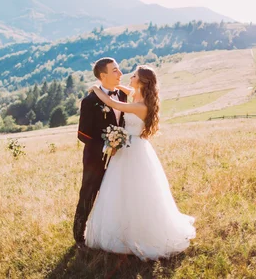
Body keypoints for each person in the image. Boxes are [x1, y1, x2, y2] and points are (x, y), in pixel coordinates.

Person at [85, 65, 196, 260]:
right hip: (128, 147)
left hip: (134, 149)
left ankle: (137, 233)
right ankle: (124, 228)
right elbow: (123, 91)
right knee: (121, 190)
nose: (130, 77)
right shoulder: (138, 95)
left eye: (134, 75)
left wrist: (95, 89)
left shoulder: (140, 105)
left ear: (142, 81)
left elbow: (114, 104)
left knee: (136, 191)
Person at [73, 57, 127, 248]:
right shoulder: (90, 101)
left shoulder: (122, 96)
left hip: (119, 158)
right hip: (95, 158)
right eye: (115, 70)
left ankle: (111, 232)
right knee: (88, 193)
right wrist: (107, 145)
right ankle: (79, 236)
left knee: (115, 193)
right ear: (103, 76)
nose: (120, 74)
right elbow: (83, 135)